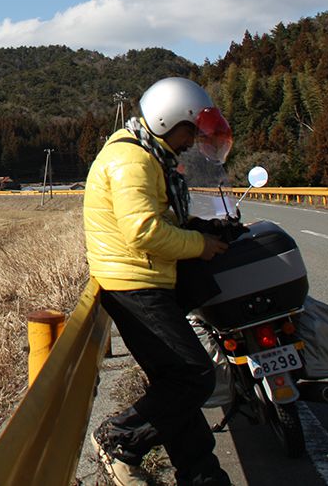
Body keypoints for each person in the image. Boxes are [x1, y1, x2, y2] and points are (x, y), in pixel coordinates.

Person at [84, 77, 234, 486]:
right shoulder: (132, 160)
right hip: (135, 283)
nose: (191, 141)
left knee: (175, 382)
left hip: (143, 278)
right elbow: (143, 231)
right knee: (194, 376)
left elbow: (158, 219)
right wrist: (198, 245)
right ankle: (121, 438)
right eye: (190, 131)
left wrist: (202, 228)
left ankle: (202, 475)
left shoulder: (149, 154)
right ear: (169, 120)